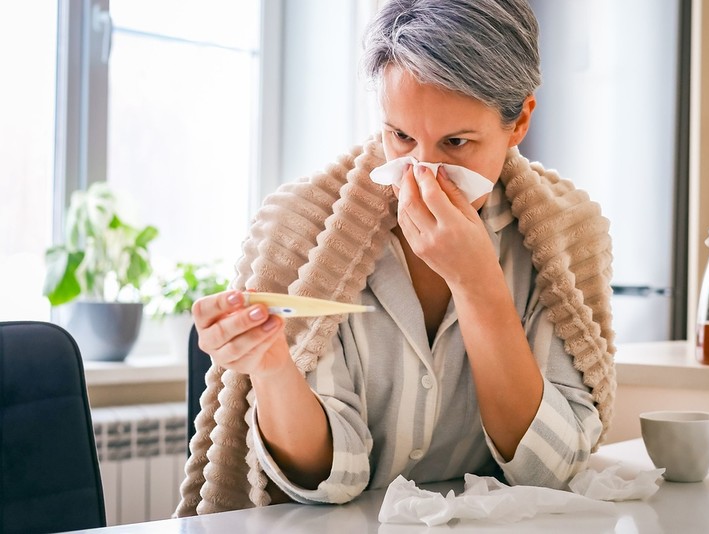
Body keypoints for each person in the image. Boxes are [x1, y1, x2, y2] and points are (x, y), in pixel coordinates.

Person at [176, 0, 615, 514]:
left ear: (517, 123)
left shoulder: (564, 234)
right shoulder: (305, 230)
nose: (421, 171)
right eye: (400, 136)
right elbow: (330, 481)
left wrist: (478, 283)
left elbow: (553, 468)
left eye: (456, 142)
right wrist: (273, 368)